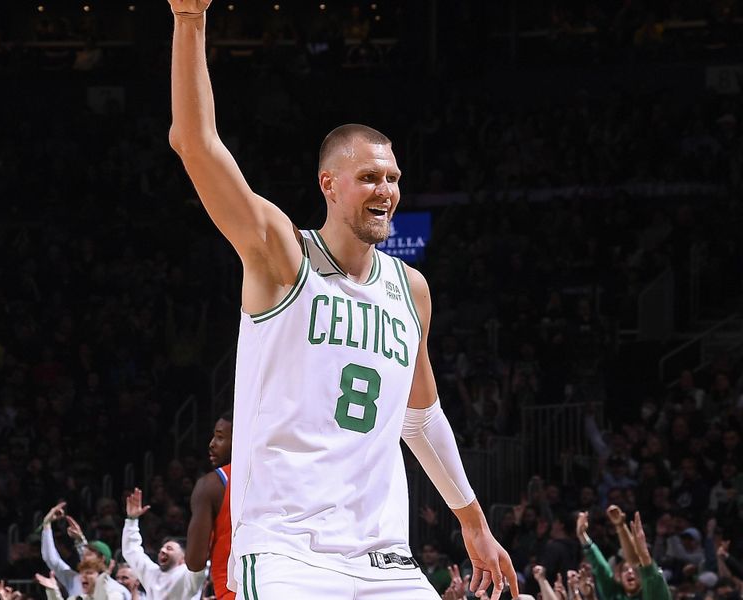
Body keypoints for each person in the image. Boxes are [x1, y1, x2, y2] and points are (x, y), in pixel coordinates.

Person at [167, 2, 519, 599]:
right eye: (370, 178)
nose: (386, 190)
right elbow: (195, 144)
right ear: (329, 185)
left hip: (384, 558)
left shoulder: (411, 291)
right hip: (285, 552)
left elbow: (421, 417)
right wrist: (189, 18)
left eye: (393, 178)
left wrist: (474, 523)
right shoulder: (281, 255)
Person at [121, 488, 205, 600]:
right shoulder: (152, 573)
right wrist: (132, 519)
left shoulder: (186, 575)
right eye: (162, 548)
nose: (162, 550)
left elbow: (198, 566)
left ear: (183, 559)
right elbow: (131, 551)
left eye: (169, 548)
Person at [185, 411, 234, 600]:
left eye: (220, 437)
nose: (212, 443)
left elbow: (195, 562)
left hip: (233, 592)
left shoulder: (211, 485)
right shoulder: (276, 477)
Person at [40, 502, 130, 600]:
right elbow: (51, 559)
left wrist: (80, 540)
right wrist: (46, 525)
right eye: (83, 552)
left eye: (89, 554)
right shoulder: (76, 580)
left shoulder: (117, 590)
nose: (83, 556)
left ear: (102, 559)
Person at [576, 510, 669, 600]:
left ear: (642, 574)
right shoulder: (614, 595)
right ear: (618, 576)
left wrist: (621, 527)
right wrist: (582, 535)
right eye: (625, 570)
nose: (630, 571)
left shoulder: (653, 592)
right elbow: (601, 568)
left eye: (634, 569)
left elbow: (648, 572)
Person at [35, 557, 123, 600]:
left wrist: (102, 579)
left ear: (100, 576)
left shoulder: (115, 595)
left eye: (89, 573)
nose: (83, 576)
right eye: (81, 573)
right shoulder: (78, 598)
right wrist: (52, 591)